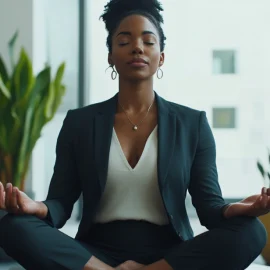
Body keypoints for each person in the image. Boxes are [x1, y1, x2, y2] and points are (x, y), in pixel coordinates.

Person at [0, 0, 268, 269]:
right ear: (110, 55)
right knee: (13, 226)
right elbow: (60, 203)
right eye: (124, 40)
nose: (138, 47)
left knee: (252, 232)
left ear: (161, 56)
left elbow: (209, 208)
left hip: (169, 254)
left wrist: (237, 209)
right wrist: (36, 208)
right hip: (95, 251)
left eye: (148, 41)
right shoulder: (79, 123)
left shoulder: (192, 124)